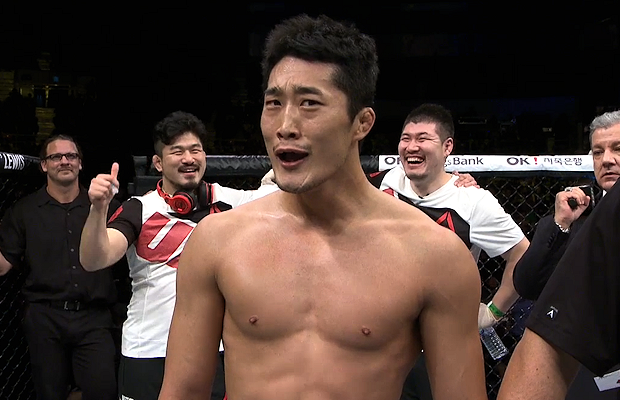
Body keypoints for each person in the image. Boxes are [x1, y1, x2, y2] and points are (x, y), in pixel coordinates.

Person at [158, 14, 487, 400]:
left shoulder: (436, 256)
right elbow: (182, 391)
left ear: (361, 123)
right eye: (273, 103)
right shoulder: (217, 241)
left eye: (309, 103)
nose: (285, 125)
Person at [79, 111, 277, 400]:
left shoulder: (230, 202)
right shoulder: (139, 209)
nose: (188, 158)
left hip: (214, 351)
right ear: (158, 162)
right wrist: (98, 209)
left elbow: (283, 196)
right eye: (177, 151)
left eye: (195, 150)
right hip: (150, 351)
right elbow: (95, 259)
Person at [367, 103, 529, 400]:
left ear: (447, 147)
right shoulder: (384, 182)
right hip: (383, 339)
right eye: (405, 138)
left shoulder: (474, 202)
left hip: (442, 345)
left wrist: (493, 311)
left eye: (423, 138)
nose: (411, 146)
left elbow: (522, 254)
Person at [500, 110, 620, 400]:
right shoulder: (574, 216)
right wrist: (560, 224)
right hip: (578, 362)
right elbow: (526, 283)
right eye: (598, 152)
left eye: (618, 149)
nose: (607, 160)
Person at [0, 134, 119, 400]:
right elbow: (3, 264)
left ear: (80, 163)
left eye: (71, 156)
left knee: (103, 391)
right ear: (44, 165)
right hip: (45, 318)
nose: (64, 161)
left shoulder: (104, 206)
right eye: (56, 156)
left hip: (94, 317)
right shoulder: (24, 211)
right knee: (49, 393)